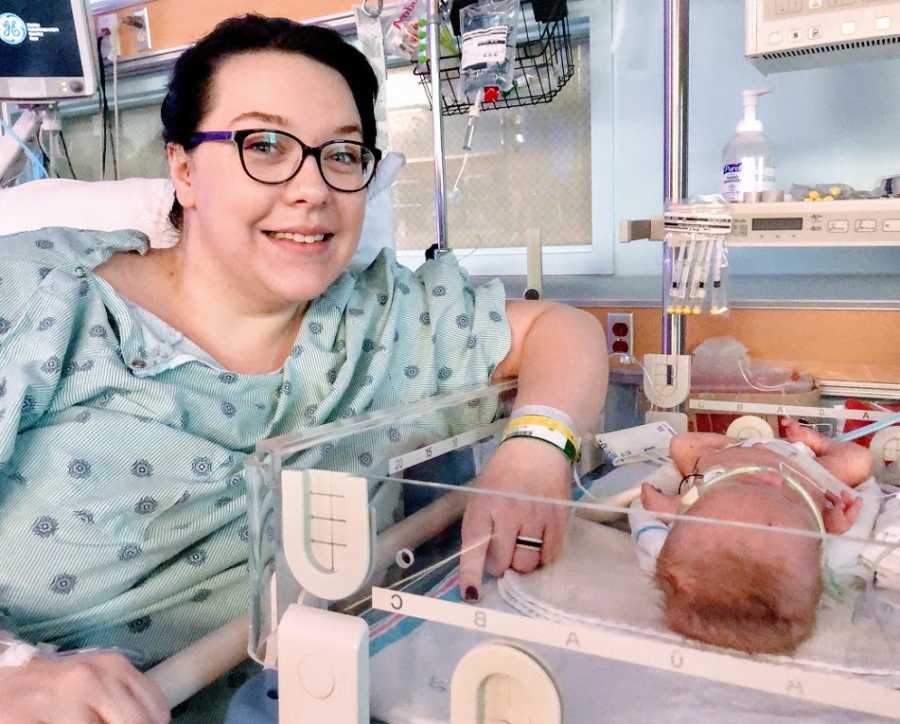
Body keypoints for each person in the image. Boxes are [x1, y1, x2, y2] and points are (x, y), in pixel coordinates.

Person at [0, 15, 607, 722]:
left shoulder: (381, 321)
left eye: (342, 154)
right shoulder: (39, 301)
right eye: (264, 145)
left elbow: (563, 332)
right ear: (185, 169)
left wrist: (537, 447)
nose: (312, 188)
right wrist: (15, 674)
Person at [635, 418, 874, 655]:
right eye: (789, 499)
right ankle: (819, 443)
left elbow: (685, 501)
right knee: (860, 462)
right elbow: (826, 526)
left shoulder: (692, 504)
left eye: (742, 486)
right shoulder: (815, 526)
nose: (771, 478)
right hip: (802, 463)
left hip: (727, 455)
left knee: (680, 445)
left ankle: (734, 439)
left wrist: (669, 507)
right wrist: (833, 522)